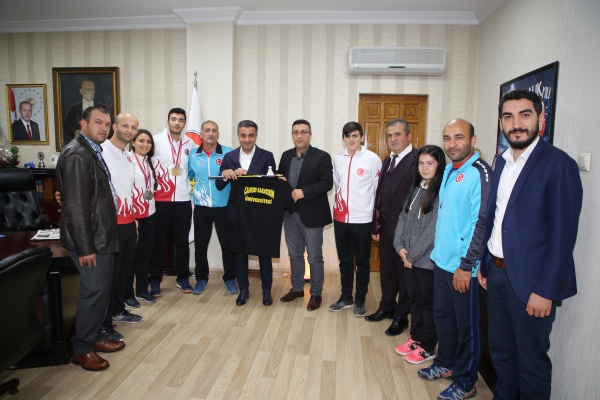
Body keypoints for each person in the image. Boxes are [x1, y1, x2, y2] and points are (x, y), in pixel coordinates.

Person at [479, 89, 583, 399]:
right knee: (501, 354)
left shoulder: (558, 164)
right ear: (501, 123)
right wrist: (485, 263)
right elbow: (496, 217)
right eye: (508, 117)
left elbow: (563, 237)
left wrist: (546, 290)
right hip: (497, 275)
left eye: (525, 115)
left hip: (532, 283)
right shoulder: (501, 161)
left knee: (531, 364)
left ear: (541, 118)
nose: (516, 124)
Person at [419, 118, 490, 400]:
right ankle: (446, 362)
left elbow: (481, 223)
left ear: (473, 140)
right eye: (447, 138)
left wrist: (467, 266)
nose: (452, 144)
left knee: (467, 327)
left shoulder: (480, 172)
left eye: (459, 137)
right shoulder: (448, 169)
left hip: (463, 268)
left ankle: (466, 381)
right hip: (442, 262)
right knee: (443, 318)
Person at [56, 106, 124, 371]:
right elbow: (75, 207)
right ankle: (82, 349)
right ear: (83, 124)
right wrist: (85, 248)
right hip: (91, 241)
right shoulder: (77, 155)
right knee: (93, 292)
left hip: (101, 236)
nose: (104, 128)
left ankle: (94, 337)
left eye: (107, 124)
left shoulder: (92, 151)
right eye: (98, 122)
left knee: (101, 291)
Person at [393, 145, 445, 365]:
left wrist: (411, 255)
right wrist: (399, 246)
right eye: (421, 163)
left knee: (427, 303)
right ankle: (416, 338)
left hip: (425, 261)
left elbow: (433, 230)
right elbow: (402, 218)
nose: (425, 168)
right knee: (414, 300)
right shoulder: (416, 188)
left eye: (430, 163)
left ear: (439, 165)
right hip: (408, 257)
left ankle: (427, 345)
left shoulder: (441, 192)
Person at [366, 118, 418, 336]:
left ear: (408, 136)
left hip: (406, 230)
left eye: (398, 134)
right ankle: (386, 306)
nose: (393, 139)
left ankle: (401, 315)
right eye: (389, 135)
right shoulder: (388, 160)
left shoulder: (418, 160)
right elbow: (380, 195)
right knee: (387, 270)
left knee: (403, 274)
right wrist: (376, 224)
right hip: (387, 226)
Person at [217, 120, 277, 306]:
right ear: (238, 136)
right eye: (243, 135)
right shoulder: (229, 157)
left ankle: (266, 291)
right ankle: (243, 289)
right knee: (240, 253)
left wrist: (248, 175)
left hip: (260, 214)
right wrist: (226, 174)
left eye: (251, 135)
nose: (247, 139)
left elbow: (272, 185)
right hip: (237, 213)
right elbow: (219, 185)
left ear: (256, 136)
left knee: (264, 253)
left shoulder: (267, 156)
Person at [278, 119, 333, 311]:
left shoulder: (322, 156)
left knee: (315, 257)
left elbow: (327, 183)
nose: (299, 136)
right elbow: (280, 180)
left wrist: (304, 192)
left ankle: (316, 293)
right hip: (290, 214)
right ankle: (297, 288)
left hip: (312, 215)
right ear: (292, 134)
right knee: (294, 255)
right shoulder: (286, 156)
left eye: (303, 132)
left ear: (310, 134)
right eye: (296, 132)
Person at [328, 122, 381, 317]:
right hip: (341, 218)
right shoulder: (337, 159)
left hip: (363, 220)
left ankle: (360, 300)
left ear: (362, 137)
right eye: (348, 136)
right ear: (343, 138)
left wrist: (376, 221)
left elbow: (377, 191)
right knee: (345, 261)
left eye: (355, 135)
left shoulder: (372, 159)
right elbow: (337, 184)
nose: (351, 139)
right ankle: (346, 298)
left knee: (363, 263)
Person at [100, 113, 144, 333]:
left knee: (124, 273)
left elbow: (128, 189)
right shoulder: (101, 152)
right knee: (110, 276)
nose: (129, 130)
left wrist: (134, 217)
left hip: (128, 222)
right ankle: (104, 323)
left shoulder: (128, 156)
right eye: (125, 125)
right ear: (115, 127)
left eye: (133, 127)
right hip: (110, 225)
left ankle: (118, 310)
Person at [148, 108, 197, 296]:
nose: (177, 123)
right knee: (157, 242)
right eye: (174, 119)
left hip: (183, 199)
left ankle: (182, 278)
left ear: (185, 123)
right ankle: (154, 280)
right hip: (161, 199)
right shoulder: (155, 140)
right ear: (168, 120)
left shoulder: (191, 143)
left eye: (181, 120)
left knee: (182, 242)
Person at [188, 120, 237, 296]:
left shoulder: (229, 152)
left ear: (218, 134)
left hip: (224, 207)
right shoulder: (193, 155)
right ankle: (201, 278)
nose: (210, 133)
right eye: (207, 130)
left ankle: (230, 278)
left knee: (228, 245)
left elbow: (236, 175)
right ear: (201, 134)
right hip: (202, 207)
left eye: (214, 130)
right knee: (200, 246)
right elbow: (190, 176)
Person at [123, 129, 159, 307]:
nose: (145, 144)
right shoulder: (127, 160)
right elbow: (124, 190)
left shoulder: (149, 162)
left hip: (149, 214)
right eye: (141, 141)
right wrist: (132, 216)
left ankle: (142, 290)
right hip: (133, 217)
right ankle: (127, 293)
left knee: (145, 254)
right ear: (133, 142)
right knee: (130, 257)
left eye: (148, 142)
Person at [63, 80, 110, 144]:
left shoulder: (104, 107)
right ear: (81, 91)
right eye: (88, 89)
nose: (91, 92)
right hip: (80, 143)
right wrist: (75, 132)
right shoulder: (73, 109)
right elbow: (67, 128)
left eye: (93, 89)